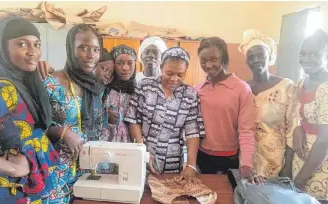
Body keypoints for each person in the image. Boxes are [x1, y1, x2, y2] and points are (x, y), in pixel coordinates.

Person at [0, 16, 59, 204]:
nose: (32, 51)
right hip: (12, 194)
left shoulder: (22, 82)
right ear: (2, 48)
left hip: (26, 190)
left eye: (36, 44)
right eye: (22, 44)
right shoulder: (2, 90)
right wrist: (11, 169)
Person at [41, 24, 106, 204]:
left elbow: (99, 127)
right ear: (71, 48)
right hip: (57, 175)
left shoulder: (96, 86)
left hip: (89, 171)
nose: (90, 55)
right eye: (83, 48)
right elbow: (34, 124)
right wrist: (63, 132)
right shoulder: (51, 83)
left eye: (95, 49)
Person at [125, 47, 205, 180]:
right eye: (169, 73)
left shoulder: (190, 95)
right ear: (161, 68)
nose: (174, 79)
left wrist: (191, 165)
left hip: (172, 163)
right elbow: (134, 119)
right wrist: (143, 151)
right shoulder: (145, 87)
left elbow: (193, 132)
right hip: (144, 157)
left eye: (180, 75)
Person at [195, 37, 261, 183]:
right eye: (203, 61)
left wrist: (246, 165)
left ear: (224, 59)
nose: (208, 65)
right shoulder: (197, 89)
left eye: (214, 59)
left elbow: (246, 130)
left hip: (230, 158)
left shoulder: (241, 89)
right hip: (201, 157)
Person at [239, 29, 296, 178]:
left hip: (277, 162)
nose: (256, 60)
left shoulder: (286, 87)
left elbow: (292, 128)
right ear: (246, 61)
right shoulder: (243, 88)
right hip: (247, 161)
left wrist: (288, 165)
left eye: (260, 55)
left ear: (270, 56)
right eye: (251, 57)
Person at [292, 29, 328, 201]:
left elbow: (324, 141)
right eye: (303, 53)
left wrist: (300, 180)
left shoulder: (326, 87)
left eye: (314, 54)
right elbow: (302, 115)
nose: (306, 59)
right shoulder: (302, 82)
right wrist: (298, 128)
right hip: (302, 158)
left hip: (319, 165)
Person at [103, 44, 137, 143]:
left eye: (130, 63)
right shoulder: (103, 88)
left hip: (129, 146)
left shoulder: (138, 92)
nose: (125, 68)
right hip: (104, 144)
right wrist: (105, 115)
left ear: (135, 64)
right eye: (120, 63)